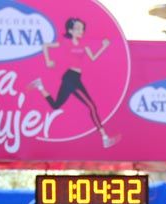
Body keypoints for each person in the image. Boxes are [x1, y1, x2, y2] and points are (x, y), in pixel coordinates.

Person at [30, 17, 120, 149]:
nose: (81, 31)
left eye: (82, 28)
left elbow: (93, 58)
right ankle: (104, 137)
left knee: (56, 105)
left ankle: (40, 86)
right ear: (70, 30)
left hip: (74, 78)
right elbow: (45, 45)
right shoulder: (65, 42)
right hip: (70, 78)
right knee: (92, 106)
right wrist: (48, 61)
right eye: (77, 28)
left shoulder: (84, 44)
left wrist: (104, 47)